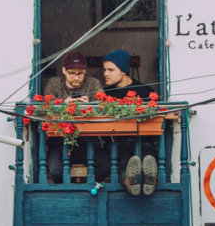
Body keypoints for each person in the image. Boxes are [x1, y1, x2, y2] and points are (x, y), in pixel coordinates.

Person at [102, 49, 158, 197]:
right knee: (122, 152)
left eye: (111, 70)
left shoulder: (145, 91)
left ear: (124, 71)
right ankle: (127, 180)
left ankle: (150, 179)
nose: (105, 74)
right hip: (116, 141)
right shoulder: (104, 93)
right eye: (105, 70)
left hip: (142, 139)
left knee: (147, 151)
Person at [43, 51, 102, 182]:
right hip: (59, 142)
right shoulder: (54, 84)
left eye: (80, 73)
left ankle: (85, 189)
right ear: (64, 70)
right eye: (72, 73)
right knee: (56, 171)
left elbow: (103, 106)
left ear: (85, 71)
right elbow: (46, 105)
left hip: (88, 141)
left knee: (103, 166)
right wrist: (64, 104)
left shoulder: (93, 83)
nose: (76, 77)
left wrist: (90, 106)